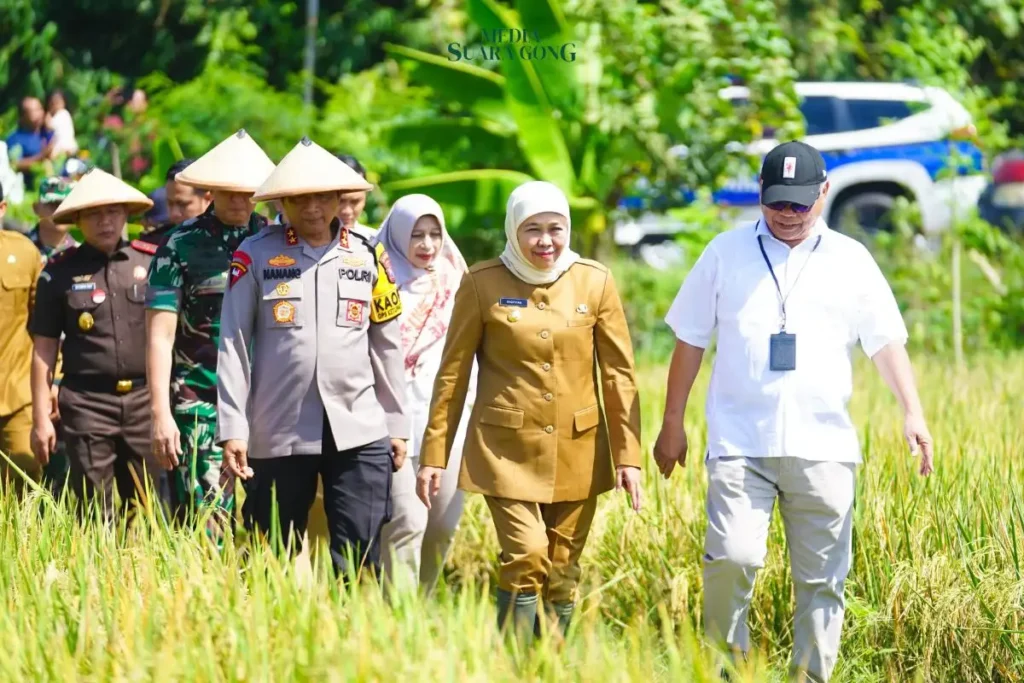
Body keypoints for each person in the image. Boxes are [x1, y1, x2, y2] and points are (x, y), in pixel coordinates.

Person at [653, 141, 935, 683]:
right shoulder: (723, 253)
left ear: (824, 193)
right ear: (760, 193)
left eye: (800, 204)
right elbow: (689, 340)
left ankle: (811, 677)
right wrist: (672, 422)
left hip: (824, 445)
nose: (788, 215)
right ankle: (726, 671)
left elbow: (885, 342)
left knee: (823, 580)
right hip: (740, 442)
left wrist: (912, 412)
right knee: (732, 558)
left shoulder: (852, 259)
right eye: (777, 203)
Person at [417, 180, 643, 641]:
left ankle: (551, 665)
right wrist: (434, 455)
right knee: (526, 554)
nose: (545, 241)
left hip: (579, 448)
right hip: (507, 451)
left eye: (555, 229)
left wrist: (629, 457)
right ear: (513, 231)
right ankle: (515, 663)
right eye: (532, 229)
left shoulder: (594, 280)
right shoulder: (482, 283)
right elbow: (453, 376)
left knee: (562, 567)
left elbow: (619, 375)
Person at [217, 137, 408, 577]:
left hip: (358, 427)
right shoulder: (255, 255)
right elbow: (233, 342)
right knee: (274, 549)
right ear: (283, 201)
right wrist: (233, 428)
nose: (313, 209)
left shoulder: (368, 255)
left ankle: (353, 637)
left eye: (323, 197)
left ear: (340, 199)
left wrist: (396, 424)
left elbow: (386, 344)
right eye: (300, 199)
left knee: (359, 555)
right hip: (278, 426)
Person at [145, 130, 274, 533]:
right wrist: (160, 413)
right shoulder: (179, 246)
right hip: (201, 401)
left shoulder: (276, 239)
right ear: (211, 191)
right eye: (229, 191)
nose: (239, 200)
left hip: (269, 402)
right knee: (209, 522)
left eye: (247, 192)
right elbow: (160, 336)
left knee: (268, 521)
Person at [29, 169, 164, 520]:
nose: (105, 221)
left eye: (113, 212)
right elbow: (44, 349)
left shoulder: (150, 262)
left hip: (143, 401)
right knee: (93, 511)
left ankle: (143, 575)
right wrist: (41, 418)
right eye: (93, 213)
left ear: (125, 215)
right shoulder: (58, 273)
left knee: (148, 510)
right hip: (87, 404)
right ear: (77, 220)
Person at [377, 194, 473, 594]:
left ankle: (425, 603)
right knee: (406, 522)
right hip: (392, 420)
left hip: (447, 419)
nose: (428, 244)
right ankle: (396, 619)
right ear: (399, 235)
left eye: (435, 234)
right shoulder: (374, 278)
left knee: (441, 525)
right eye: (417, 234)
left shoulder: (458, 281)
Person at [0, 180, 45, 492]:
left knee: (24, 473)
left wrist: (52, 381)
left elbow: (44, 324)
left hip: (15, 390)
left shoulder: (24, 252)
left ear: (2, 209)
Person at [6, 97, 54, 189]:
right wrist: (41, 157)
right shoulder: (15, 138)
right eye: (34, 110)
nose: (39, 113)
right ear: (23, 116)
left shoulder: (45, 133)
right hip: (28, 189)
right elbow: (15, 164)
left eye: (40, 109)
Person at [29, 176, 78, 262]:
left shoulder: (80, 255)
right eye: (53, 204)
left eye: (67, 206)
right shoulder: (16, 248)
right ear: (36, 208)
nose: (60, 211)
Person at [336, 153, 372, 231]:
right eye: (340, 201)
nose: (347, 211)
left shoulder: (375, 241)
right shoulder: (303, 241)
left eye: (355, 202)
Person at [45, 90, 79, 158]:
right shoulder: (62, 114)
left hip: (64, 147)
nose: (55, 104)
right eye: (53, 102)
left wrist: (48, 113)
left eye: (57, 102)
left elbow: (48, 126)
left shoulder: (62, 114)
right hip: (67, 147)